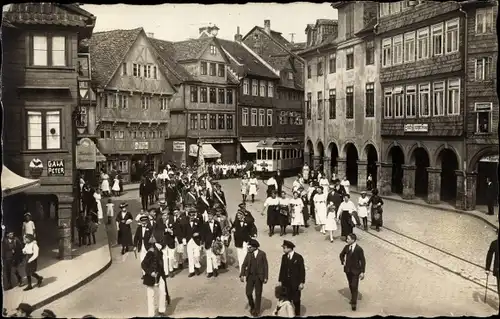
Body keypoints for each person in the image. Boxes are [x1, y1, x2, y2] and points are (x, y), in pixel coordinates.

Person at [141, 236, 170, 317]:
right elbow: (143, 264)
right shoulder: (150, 253)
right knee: (151, 295)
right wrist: (151, 273)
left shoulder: (159, 251)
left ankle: (161, 311)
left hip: (160, 274)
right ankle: (151, 314)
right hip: (150, 277)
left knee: (163, 292)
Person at [240, 239, 269, 317]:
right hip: (250, 276)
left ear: (255, 247)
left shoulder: (262, 254)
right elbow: (244, 265)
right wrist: (242, 274)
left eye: (250, 247)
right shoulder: (249, 254)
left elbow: (265, 266)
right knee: (248, 293)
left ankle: (256, 311)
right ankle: (252, 305)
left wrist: (266, 277)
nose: (249, 248)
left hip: (259, 277)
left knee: (258, 294)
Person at [278, 240, 305, 316]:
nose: (283, 250)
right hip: (286, 283)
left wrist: (302, 282)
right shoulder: (284, 257)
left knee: (296, 300)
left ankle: (297, 314)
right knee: (287, 301)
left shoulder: (298, 257)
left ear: (290, 248)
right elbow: (282, 269)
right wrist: (280, 280)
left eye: (284, 248)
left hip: (295, 283)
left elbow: (302, 271)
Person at [339, 233, 366, 311]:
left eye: (348, 239)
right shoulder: (346, 247)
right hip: (348, 270)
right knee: (351, 285)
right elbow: (341, 255)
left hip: (356, 271)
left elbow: (363, 261)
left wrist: (362, 272)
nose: (346, 240)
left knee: (354, 285)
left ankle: (354, 303)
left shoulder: (359, 249)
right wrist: (342, 261)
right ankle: (353, 296)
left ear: (353, 240)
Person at [201, 210, 222, 278]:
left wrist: (218, 236)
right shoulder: (205, 224)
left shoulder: (217, 223)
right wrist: (202, 243)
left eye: (211, 216)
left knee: (214, 257)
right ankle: (209, 271)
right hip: (208, 243)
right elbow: (203, 234)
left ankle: (215, 269)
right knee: (209, 257)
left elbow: (220, 232)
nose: (209, 217)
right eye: (208, 216)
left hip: (215, 242)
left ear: (213, 216)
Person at [185, 209, 202, 277]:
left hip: (196, 240)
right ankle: (191, 271)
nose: (192, 217)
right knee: (190, 256)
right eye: (190, 215)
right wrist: (185, 239)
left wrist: (198, 233)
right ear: (188, 216)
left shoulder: (198, 221)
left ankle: (197, 267)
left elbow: (202, 230)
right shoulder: (186, 222)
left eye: (193, 215)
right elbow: (184, 231)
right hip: (189, 240)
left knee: (197, 255)